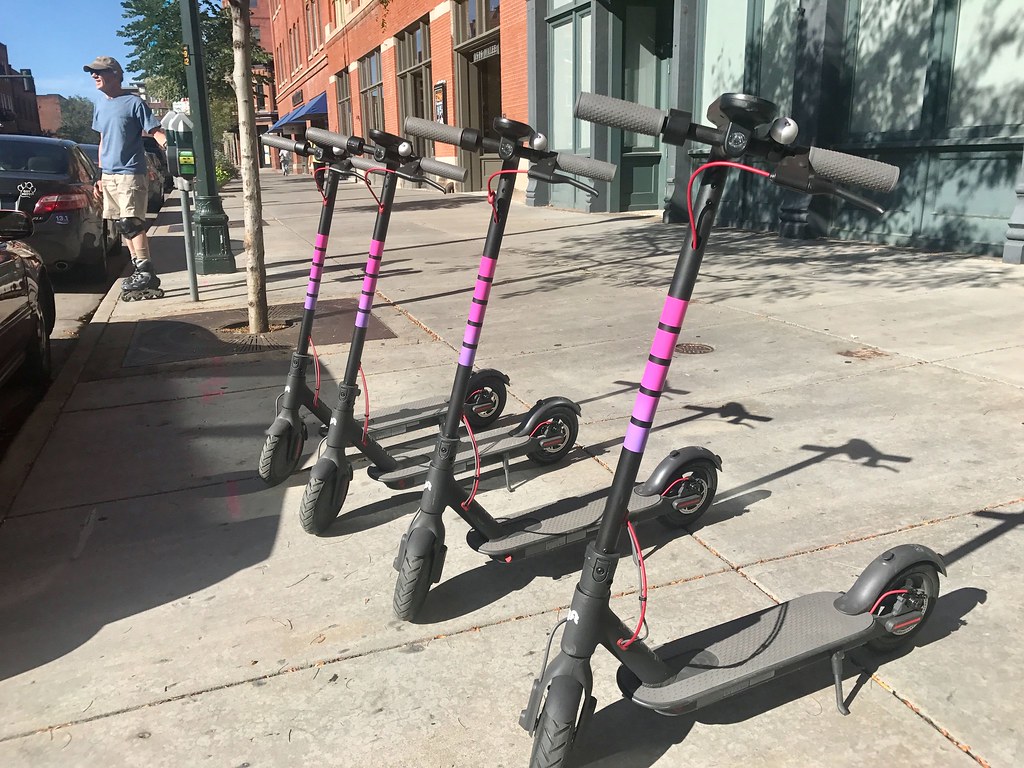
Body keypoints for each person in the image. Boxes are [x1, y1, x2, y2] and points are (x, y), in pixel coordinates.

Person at [85, 55, 167, 300]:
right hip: (109, 175)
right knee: (122, 224)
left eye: (99, 71)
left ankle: (146, 270)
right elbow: (102, 141)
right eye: (92, 72)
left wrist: (172, 150)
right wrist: (99, 175)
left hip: (130, 172)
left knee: (132, 222)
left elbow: (154, 131)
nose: (94, 76)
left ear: (115, 74)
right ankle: (138, 269)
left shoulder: (134, 103)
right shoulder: (99, 105)